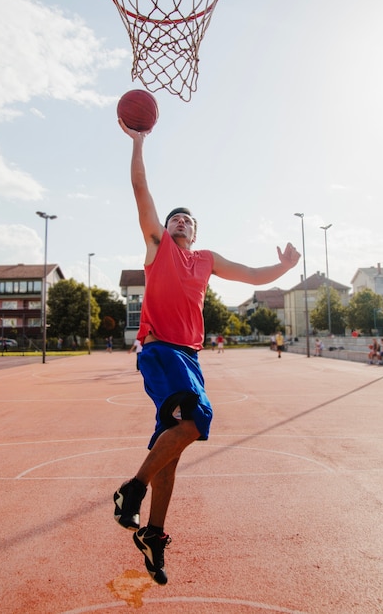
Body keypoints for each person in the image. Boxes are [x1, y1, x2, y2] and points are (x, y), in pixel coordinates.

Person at [113, 118, 301, 585]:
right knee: (196, 422)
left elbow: (252, 276)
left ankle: (153, 535)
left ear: (195, 231)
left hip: (190, 358)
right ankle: (130, 492)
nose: (180, 221)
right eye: (175, 217)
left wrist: (282, 266)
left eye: (187, 219)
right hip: (160, 351)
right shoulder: (157, 247)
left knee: (172, 450)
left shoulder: (207, 260)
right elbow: (140, 189)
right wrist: (138, 144)